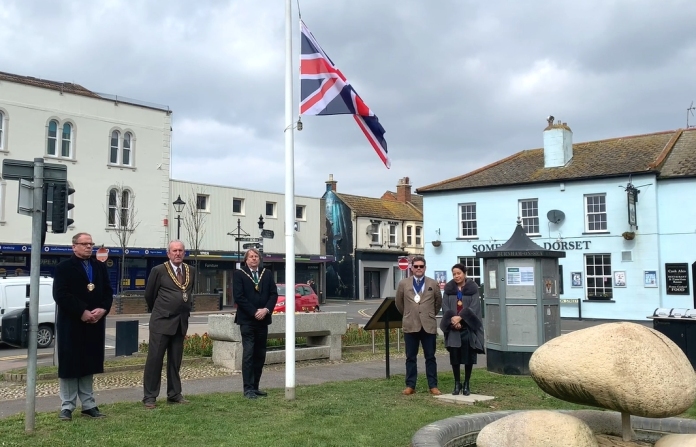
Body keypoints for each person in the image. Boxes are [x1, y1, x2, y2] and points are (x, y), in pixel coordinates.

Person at [53, 232, 113, 421]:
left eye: (91, 244)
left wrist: (103, 309)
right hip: (72, 323)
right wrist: (82, 311)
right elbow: (60, 294)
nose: (89, 247)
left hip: (94, 324)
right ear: (74, 246)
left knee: (88, 363)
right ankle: (67, 406)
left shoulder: (99, 267)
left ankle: (88, 405)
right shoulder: (64, 267)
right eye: (85, 244)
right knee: (70, 365)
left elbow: (108, 292)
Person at [142, 240, 196, 409]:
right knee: (155, 359)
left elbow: (188, 292)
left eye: (180, 250)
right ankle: (150, 396)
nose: (177, 253)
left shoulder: (191, 270)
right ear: (168, 253)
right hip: (162, 322)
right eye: (174, 250)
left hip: (180, 322)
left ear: (184, 253)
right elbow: (150, 295)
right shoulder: (158, 270)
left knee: (175, 360)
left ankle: (174, 394)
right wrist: (161, 310)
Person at [233, 248, 278, 399]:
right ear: (246, 260)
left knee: (260, 354)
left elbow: (273, 294)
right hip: (247, 321)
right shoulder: (239, 274)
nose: (254, 259)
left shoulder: (267, 274)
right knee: (249, 353)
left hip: (263, 320)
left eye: (256, 256)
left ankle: (256, 386)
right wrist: (254, 312)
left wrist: (265, 309)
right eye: (251, 257)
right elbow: (239, 297)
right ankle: (248, 389)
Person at [395, 256, 443, 396]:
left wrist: (427, 314)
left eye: (421, 266)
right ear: (411, 268)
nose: (418, 269)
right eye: (416, 266)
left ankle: (433, 386)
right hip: (411, 324)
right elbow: (399, 303)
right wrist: (409, 314)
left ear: (425, 268)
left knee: (430, 357)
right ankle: (410, 385)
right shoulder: (403, 283)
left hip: (428, 325)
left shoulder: (433, 283)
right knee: (410, 357)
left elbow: (438, 303)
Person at [440, 264, 485, 396]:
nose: (456, 276)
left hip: (467, 327)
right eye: (454, 274)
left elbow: (474, 307)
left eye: (459, 273)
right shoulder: (449, 290)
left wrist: (461, 319)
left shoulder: (473, 289)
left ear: (464, 273)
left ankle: (466, 384)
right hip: (453, 327)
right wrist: (453, 320)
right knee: (455, 357)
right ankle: (457, 383)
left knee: (468, 357)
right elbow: (445, 306)